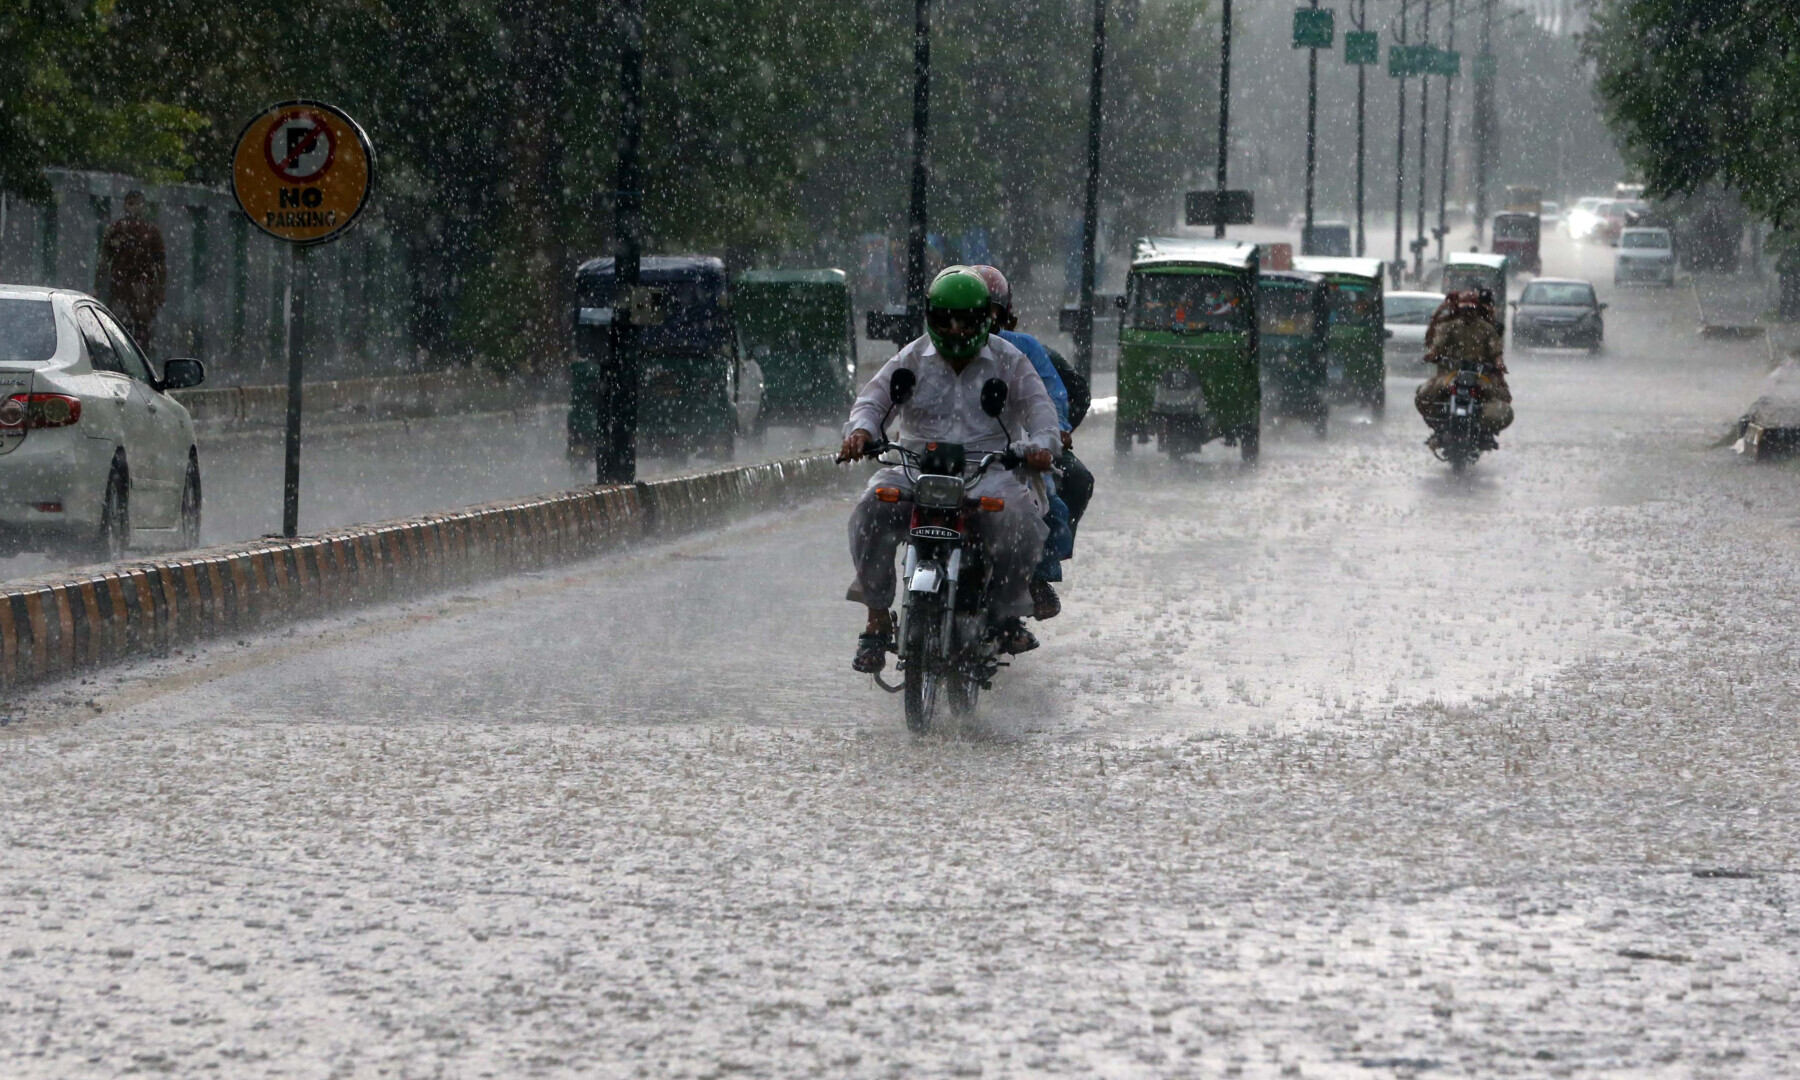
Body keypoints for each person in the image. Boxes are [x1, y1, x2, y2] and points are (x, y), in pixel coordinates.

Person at [838, 266, 1061, 674]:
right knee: (870, 509)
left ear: (985, 319)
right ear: (930, 316)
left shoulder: (1011, 360)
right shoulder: (909, 358)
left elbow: (1042, 414)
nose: (955, 329)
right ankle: (875, 617)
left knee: (1020, 519)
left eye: (966, 320)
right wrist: (860, 434)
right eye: (945, 319)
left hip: (987, 469)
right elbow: (871, 404)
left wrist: (1041, 447)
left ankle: (1005, 615)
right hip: (915, 467)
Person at [1415, 289, 1513, 448]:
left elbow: (1495, 350)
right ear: (1459, 308)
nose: (1468, 312)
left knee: (1498, 396)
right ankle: (1439, 430)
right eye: (1465, 308)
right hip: (1451, 374)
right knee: (1426, 394)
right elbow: (1438, 344)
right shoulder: (1448, 327)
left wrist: (1498, 362)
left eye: (1471, 309)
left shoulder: (1487, 329)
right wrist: (1432, 354)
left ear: (1476, 309)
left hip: (1481, 376)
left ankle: (1485, 433)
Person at [94, 191, 167, 352]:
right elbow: (103, 262)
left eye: (137, 203)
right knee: (119, 330)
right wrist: (97, 288)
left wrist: (161, 290)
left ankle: (141, 364)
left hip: (143, 288)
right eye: (130, 203)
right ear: (125, 205)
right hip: (121, 288)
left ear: (144, 207)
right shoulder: (116, 230)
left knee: (142, 330)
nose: (133, 207)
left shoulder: (151, 232)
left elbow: (161, 263)